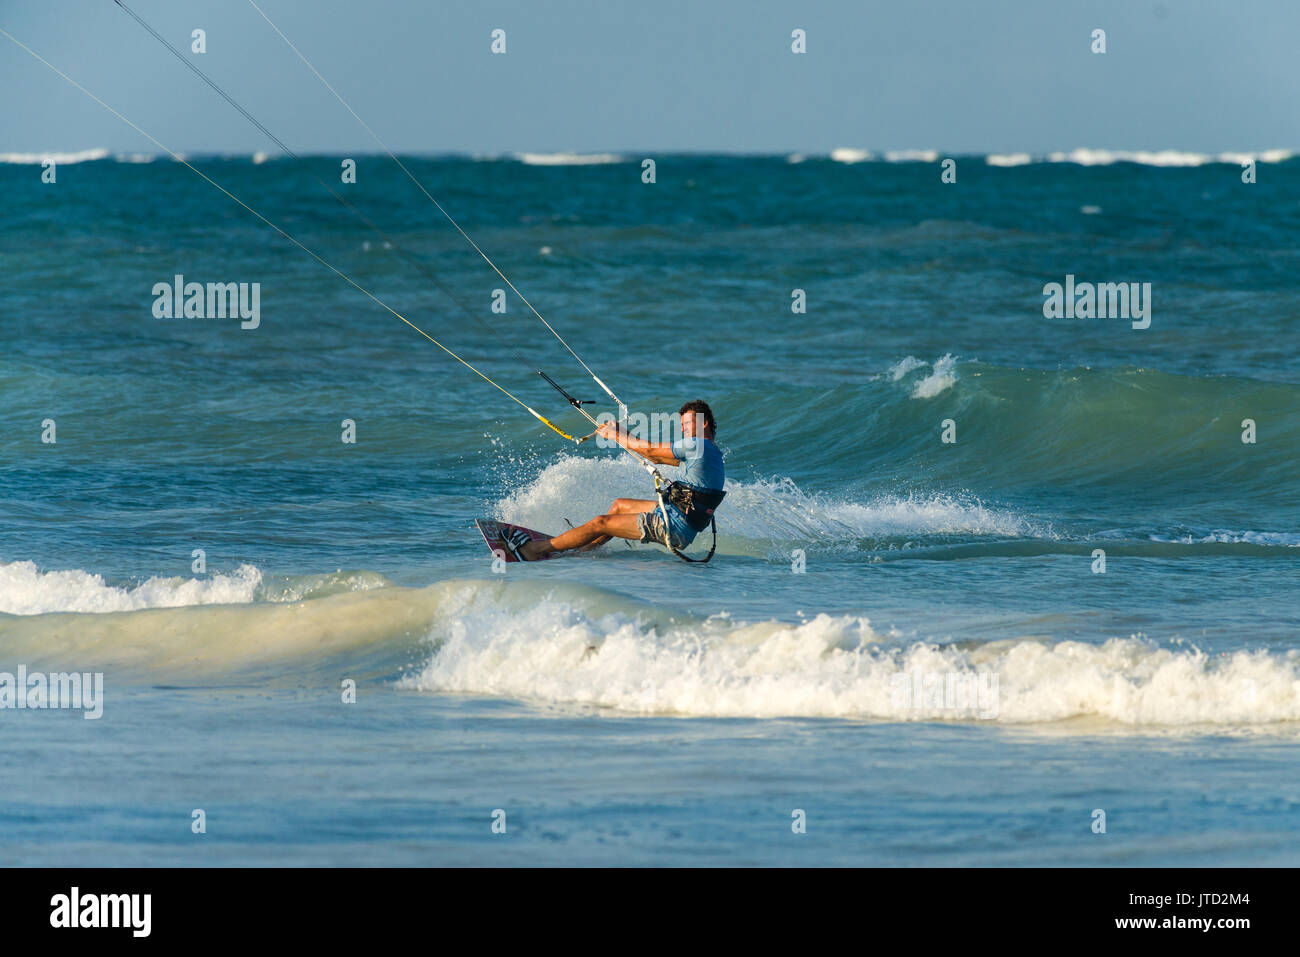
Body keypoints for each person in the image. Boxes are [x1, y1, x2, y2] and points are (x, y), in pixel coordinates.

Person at [509, 400, 726, 560]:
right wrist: (621, 432)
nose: (682, 429)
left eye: (686, 424)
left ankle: (533, 551)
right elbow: (653, 457)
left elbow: (649, 449)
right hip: (675, 516)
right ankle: (581, 551)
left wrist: (615, 435)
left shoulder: (699, 446)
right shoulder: (710, 453)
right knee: (619, 505)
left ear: (703, 423)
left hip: (674, 526)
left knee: (600, 523)